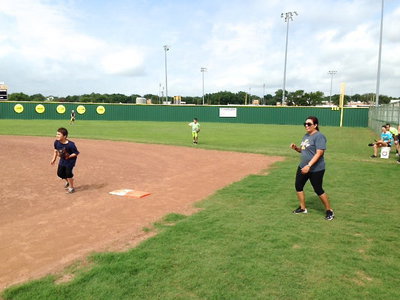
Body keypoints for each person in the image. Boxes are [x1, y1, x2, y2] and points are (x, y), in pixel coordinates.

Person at [290, 116, 334, 220]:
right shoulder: (306, 136)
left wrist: (309, 166)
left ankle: (329, 210)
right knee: (298, 186)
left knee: (318, 189)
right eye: (305, 124)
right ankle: (302, 208)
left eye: (309, 124)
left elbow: (319, 153)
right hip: (303, 167)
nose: (306, 126)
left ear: (315, 125)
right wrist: (296, 148)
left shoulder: (319, 136)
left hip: (316, 169)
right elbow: (304, 150)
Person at [50, 127, 80, 193]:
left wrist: (69, 156)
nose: (57, 136)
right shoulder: (56, 142)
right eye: (57, 134)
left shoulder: (71, 144)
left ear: (64, 136)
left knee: (68, 173)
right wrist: (54, 159)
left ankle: (71, 188)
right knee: (60, 173)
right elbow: (55, 151)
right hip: (62, 160)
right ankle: (68, 181)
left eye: (59, 134)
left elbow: (76, 153)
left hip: (70, 161)